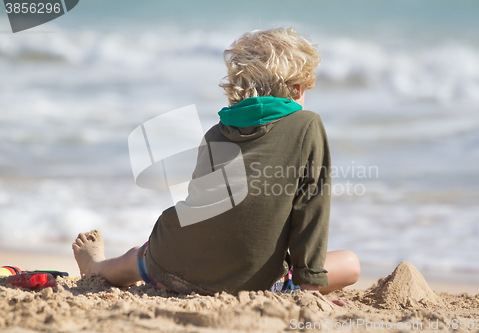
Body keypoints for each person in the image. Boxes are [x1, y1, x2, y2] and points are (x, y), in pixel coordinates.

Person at [73, 28, 359, 295]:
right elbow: (311, 207)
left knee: (141, 258)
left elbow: (203, 203)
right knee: (350, 263)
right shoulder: (307, 124)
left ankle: (96, 267)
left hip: (174, 260)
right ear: (297, 90)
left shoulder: (216, 132)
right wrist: (309, 288)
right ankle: (100, 266)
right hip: (250, 281)